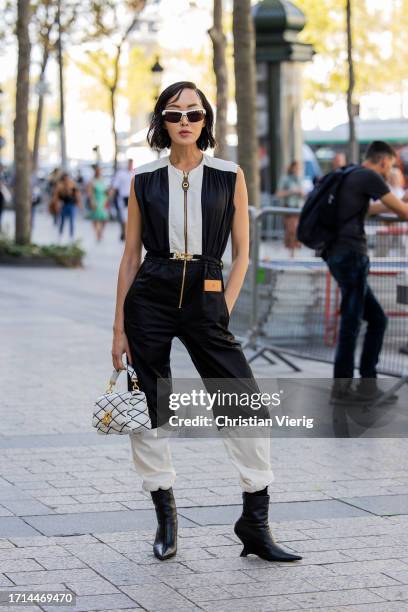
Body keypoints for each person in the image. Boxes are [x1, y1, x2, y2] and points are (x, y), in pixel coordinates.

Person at [111, 81, 302, 564]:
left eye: (193, 115)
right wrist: (118, 329)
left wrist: (224, 308)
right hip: (150, 292)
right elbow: (130, 255)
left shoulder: (228, 174)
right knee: (151, 408)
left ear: (206, 121)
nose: (184, 123)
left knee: (244, 402)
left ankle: (254, 522)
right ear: (161, 122)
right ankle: (166, 518)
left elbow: (243, 252)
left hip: (207, 289)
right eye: (174, 115)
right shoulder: (144, 179)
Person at [322, 141, 408, 404]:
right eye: (391, 166)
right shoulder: (371, 176)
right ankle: (344, 389)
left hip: (337, 253)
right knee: (351, 322)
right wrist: (401, 204)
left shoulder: (351, 174)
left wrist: (395, 204)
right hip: (352, 256)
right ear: (383, 161)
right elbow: (403, 213)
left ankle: (365, 385)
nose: (389, 170)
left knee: (377, 319)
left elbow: (369, 209)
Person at [275, 160, 305, 256]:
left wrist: (301, 193)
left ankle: (293, 252)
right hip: (288, 207)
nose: (297, 170)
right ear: (292, 168)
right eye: (296, 168)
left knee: (296, 229)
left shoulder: (300, 179)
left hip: (298, 208)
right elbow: (278, 193)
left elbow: (304, 194)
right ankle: (291, 253)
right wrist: (291, 191)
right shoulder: (285, 178)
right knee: (291, 229)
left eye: (299, 168)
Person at [52, 172, 82, 241]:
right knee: (62, 221)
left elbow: (77, 194)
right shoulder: (60, 186)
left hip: (72, 205)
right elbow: (56, 196)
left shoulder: (72, 184)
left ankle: (71, 236)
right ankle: (60, 234)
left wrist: (79, 203)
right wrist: (56, 204)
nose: (66, 179)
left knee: (72, 221)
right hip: (64, 205)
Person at [110, 159, 134, 241]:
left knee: (131, 219)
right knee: (124, 219)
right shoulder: (120, 174)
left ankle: (126, 234)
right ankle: (126, 235)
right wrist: (109, 198)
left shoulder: (134, 173)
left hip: (133, 199)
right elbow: (114, 187)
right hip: (123, 199)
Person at [87, 165, 109, 242]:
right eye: (98, 170)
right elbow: (90, 193)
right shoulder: (92, 181)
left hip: (103, 200)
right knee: (96, 218)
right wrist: (92, 201)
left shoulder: (103, 180)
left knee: (105, 219)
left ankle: (100, 232)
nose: (99, 172)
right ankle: (97, 233)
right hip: (96, 200)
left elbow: (106, 191)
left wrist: (107, 199)